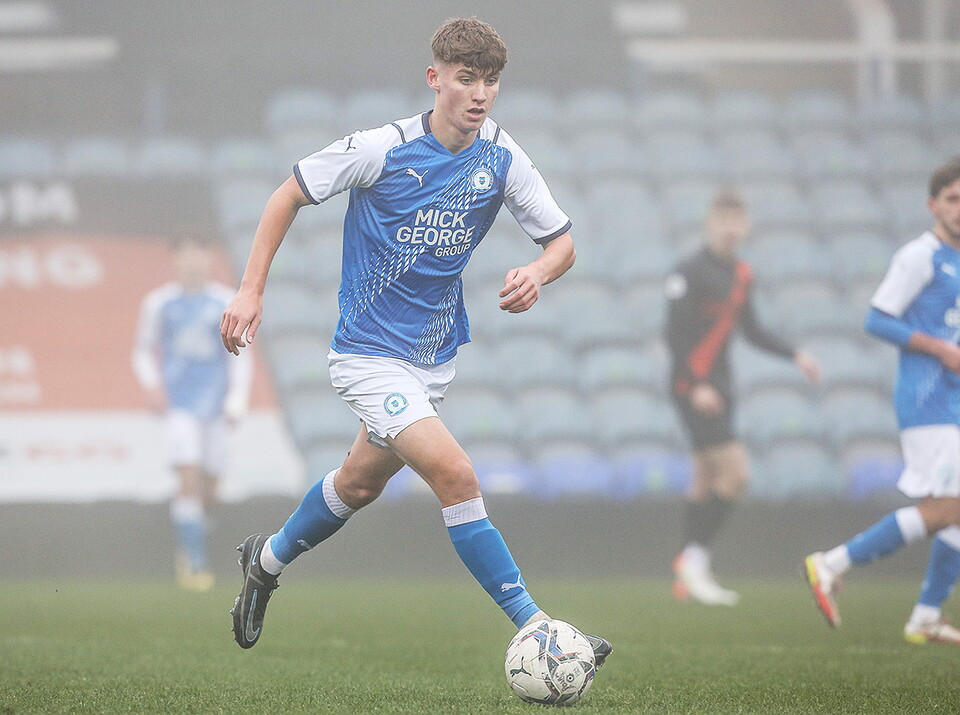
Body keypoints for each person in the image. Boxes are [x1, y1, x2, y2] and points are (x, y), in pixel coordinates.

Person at [219, 17, 612, 663]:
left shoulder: (502, 157)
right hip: (367, 356)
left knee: (357, 485)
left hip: (431, 359)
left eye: (490, 81)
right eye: (466, 78)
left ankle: (264, 562)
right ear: (435, 78)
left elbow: (561, 242)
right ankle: (540, 629)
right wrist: (249, 290)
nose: (480, 94)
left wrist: (539, 272)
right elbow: (286, 195)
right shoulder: (381, 148)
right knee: (456, 475)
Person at [804, 157, 960, 645]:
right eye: (953, 199)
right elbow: (878, 317)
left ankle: (926, 616)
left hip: (953, 401)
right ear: (933, 205)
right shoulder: (921, 255)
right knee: (946, 508)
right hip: (928, 399)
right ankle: (831, 563)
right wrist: (940, 350)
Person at [665, 188, 821, 606]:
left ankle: (689, 572)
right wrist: (696, 384)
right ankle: (695, 562)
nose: (730, 229)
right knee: (736, 476)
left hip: (722, 387)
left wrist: (795, 354)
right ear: (710, 224)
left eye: (737, 221)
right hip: (692, 388)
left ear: (746, 226)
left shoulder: (741, 275)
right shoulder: (690, 271)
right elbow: (674, 334)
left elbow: (752, 329)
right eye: (723, 221)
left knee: (705, 478)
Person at [133, 233, 252, 591]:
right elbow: (142, 350)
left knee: (211, 489)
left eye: (199, 252)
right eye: (185, 253)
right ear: (176, 259)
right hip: (180, 407)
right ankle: (194, 560)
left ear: (209, 257)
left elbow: (241, 354)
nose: (192, 260)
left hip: (215, 407)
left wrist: (237, 399)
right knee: (187, 477)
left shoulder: (225, 301)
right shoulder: (159, 303)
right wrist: (152, 385)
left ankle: (197, 538)